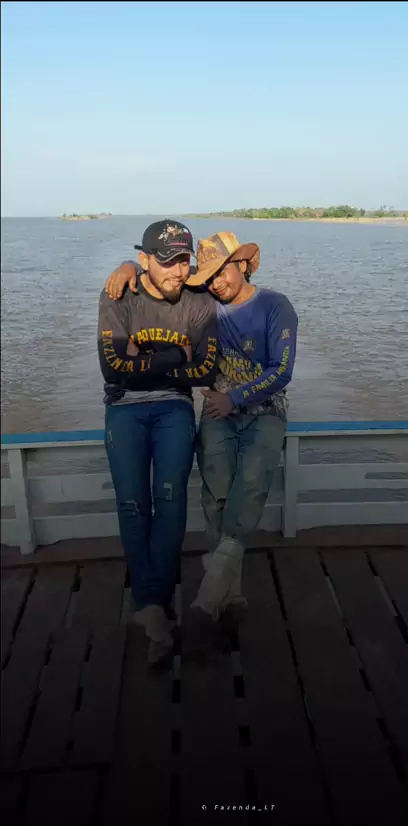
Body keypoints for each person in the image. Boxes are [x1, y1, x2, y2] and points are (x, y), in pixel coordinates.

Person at [105, 230, 298, 627]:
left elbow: (281, 370)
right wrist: (126, 267)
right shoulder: (207, 301)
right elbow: (163, 273)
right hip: (216, 407)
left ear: (242, 264)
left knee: (252, 482)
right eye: (208, 277)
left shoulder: (275, 306)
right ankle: (230, 586)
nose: (215, 283)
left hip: (265, 408)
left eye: (222, 273)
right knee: (215, 491)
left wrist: (235, 398)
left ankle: (216, 584)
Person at [98, 220, 218, 662]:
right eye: (168, 262)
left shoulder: (199, 300)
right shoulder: (118, 294)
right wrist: (177, 354)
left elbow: (206, 369)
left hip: (173, 408)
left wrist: (143, 361)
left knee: (170, 501)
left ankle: (155, 604)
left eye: (185, 261)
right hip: (123, 408)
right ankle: (152, 604)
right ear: (144, 260)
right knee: (133, 504)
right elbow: (112, 368)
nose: (178, 271)